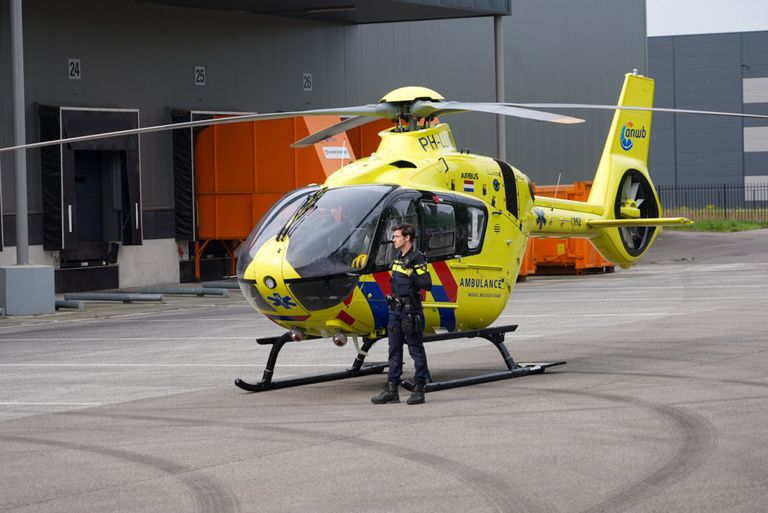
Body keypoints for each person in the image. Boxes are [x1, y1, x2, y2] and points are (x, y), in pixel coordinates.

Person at [371, 223, 432, 405]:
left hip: (410, 311)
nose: (394, 239)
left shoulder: (417, 258)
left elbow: (426, 283)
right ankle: (392, 390)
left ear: (407, 238)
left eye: (397, 237)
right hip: (395, 310)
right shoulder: (398, 256)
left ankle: (420, 389)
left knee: (415, 350)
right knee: (394, 350)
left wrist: (411, 273)